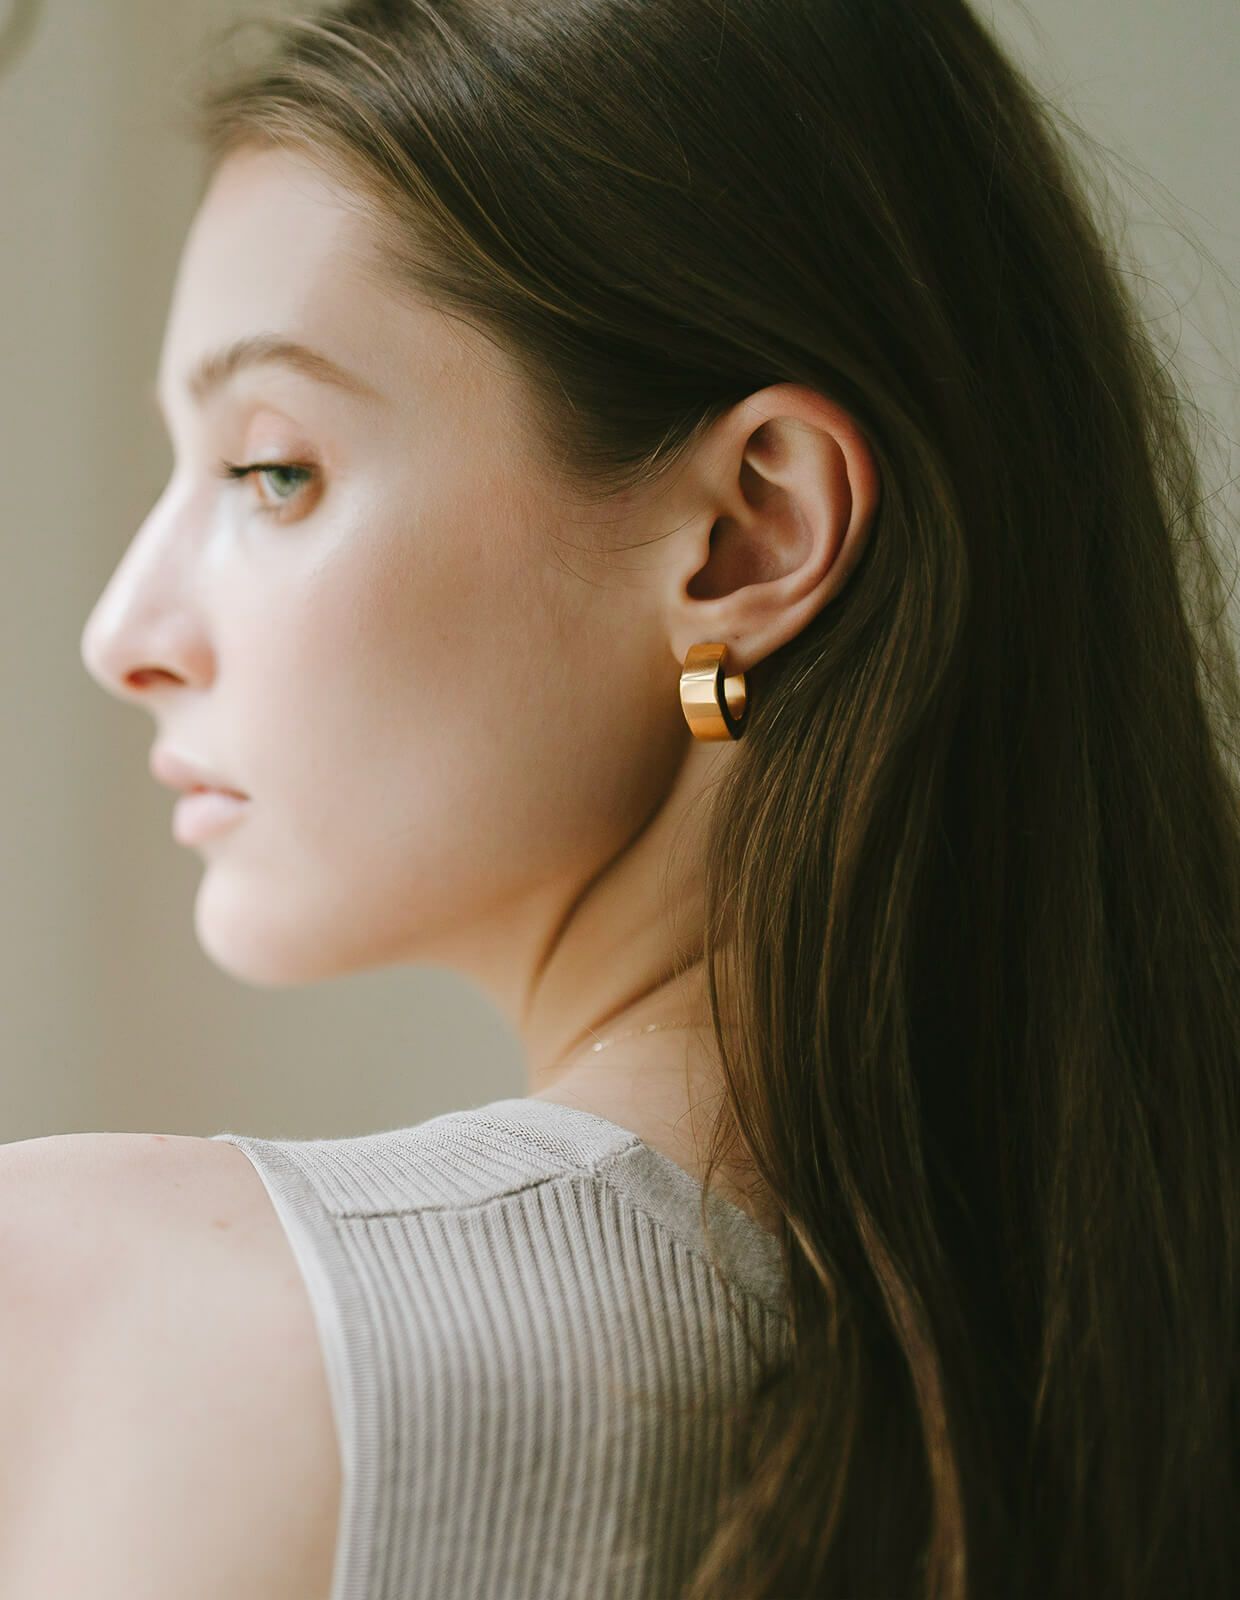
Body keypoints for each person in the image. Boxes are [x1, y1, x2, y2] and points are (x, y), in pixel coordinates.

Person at [9, 0, 1238, 1596]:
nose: (124, 633)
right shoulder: (1131, 1380)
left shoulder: (118, 1318)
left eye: (273, 471)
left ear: (749, 533)